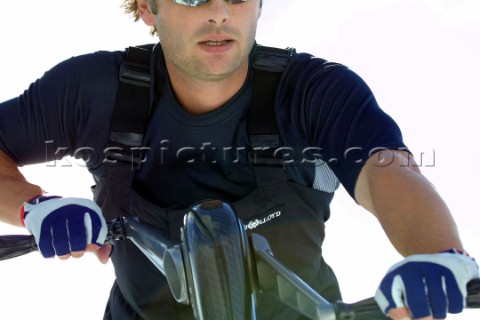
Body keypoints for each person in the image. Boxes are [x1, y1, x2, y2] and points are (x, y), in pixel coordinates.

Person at [0, 0, 477, 319]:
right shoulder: (93, 91)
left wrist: (438, 253)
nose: (220, 14)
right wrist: (34, 206)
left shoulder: (314, 92)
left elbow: (386, 173)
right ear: (147, 6)